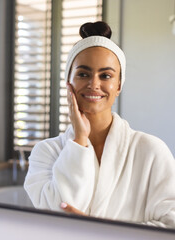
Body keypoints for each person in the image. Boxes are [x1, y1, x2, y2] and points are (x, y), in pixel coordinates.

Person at [24, 21, 175, 228]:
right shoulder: (46, 153)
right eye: (83, 74)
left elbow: (171, 226)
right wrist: (79, 141)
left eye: (106, 75)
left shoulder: (151, 151)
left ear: (119, 85)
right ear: (69, 81)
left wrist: (99, 231)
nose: (94, 84)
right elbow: (57, 223)